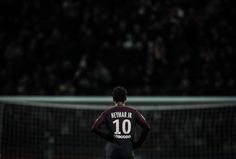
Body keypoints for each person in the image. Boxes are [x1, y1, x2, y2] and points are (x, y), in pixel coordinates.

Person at [91, 86, 150, 159]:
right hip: (128, 151)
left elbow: (94, 128)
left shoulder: (107, 113)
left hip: (113, 152)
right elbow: (147, 127)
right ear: (126, 99)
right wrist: (138, 144)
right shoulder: (134, 112)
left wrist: (108, 138)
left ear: (113, 100)